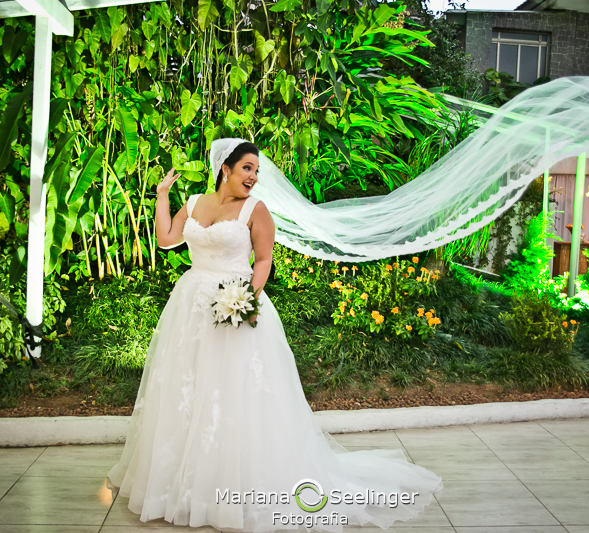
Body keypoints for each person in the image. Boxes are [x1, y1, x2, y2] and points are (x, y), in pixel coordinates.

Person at [107, 139, 443, 532]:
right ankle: (181, 487)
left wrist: (246, 300)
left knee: (233, 395)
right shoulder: (196, 201)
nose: (253, 176)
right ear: (226, 168)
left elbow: (263, 260)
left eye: (256, 171)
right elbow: (166, 239)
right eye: (247, 167)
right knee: (187, 391)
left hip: (234, 305)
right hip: (191, 306)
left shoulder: (256, 210)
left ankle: (234, 489)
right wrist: (162, 195)